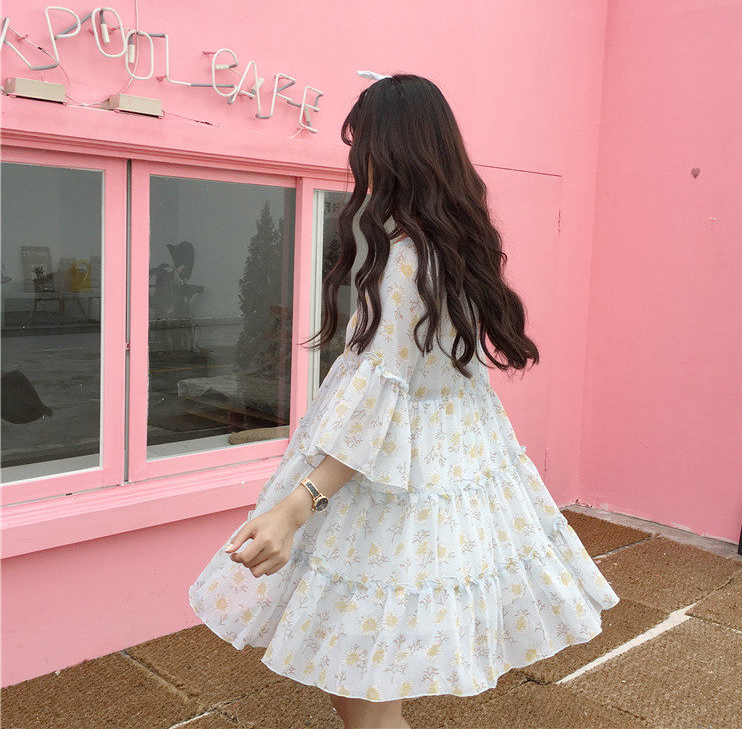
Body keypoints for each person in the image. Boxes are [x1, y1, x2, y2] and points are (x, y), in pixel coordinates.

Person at [188, 74, 620, 729]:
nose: (355, 161)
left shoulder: (406, 258)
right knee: (363, 667)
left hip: (390, 483)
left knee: (359, 675)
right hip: (447, 467)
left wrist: (295, 509)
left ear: (390, 150)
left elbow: (380, 401)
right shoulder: (456, 246)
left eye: (360, 144)